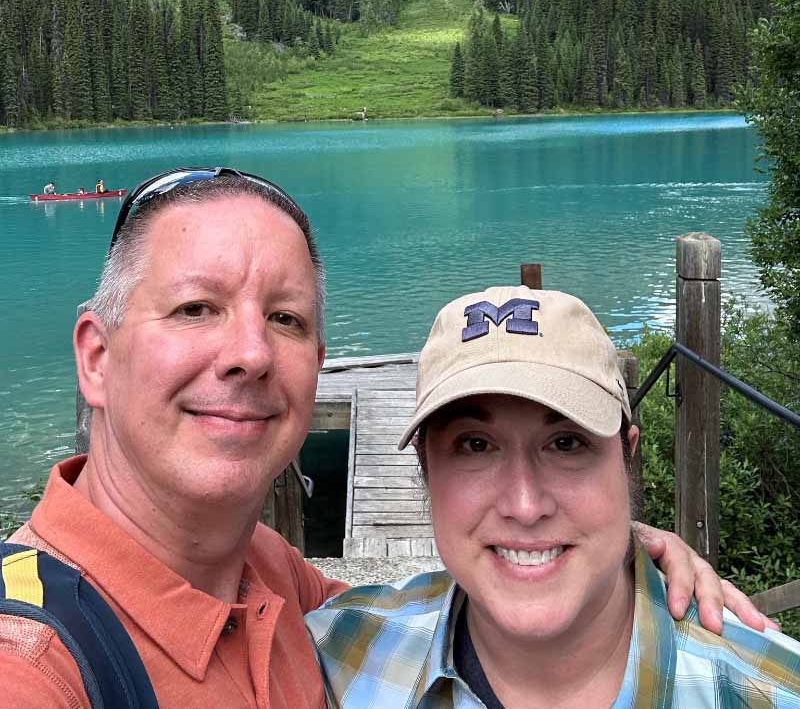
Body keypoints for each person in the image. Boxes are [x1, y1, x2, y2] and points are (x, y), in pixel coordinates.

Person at [0, 172, 773, 707]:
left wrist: (609, 548)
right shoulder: (32, 662)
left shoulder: (269, 579)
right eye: (196, 307)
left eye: (285, 318)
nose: (250, 352)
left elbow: (425, 621)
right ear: (96, 357)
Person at [306, 287, 800, 709]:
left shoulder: (770, 691)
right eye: (475, 445)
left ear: (626, 459)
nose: (525, 506)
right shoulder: (333, 657)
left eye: (566, 443)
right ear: (426, 467)